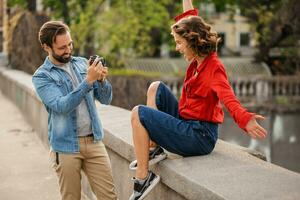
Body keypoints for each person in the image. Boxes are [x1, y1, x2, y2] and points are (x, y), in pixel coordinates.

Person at [129, 0, 268, 199]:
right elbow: (191, 21)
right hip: (188, 122)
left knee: (137, 113)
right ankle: (154, 147)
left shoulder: (213, 67)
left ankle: (143, 179)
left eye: (179, 43)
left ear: (192, 42)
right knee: (155, 88)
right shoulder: (198, 59)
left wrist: (245, 118)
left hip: (200, 136)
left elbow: (228, 98)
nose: (177, 48)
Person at [32, 21, 118, 200]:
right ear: (46, 47)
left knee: (109, 197)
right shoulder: (42, 76)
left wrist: (101, 81)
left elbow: (106, 99)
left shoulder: (81, 64)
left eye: (70, 44)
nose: (68, 50)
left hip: (94, 141)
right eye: (62, 47)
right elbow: (61, 106)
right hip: (65, 147)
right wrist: (88, 82)